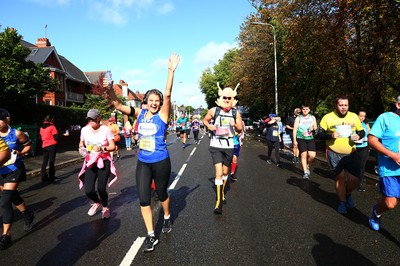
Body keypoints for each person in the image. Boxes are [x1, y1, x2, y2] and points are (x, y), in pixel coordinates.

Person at [107, 53, 180, 252]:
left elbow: (168, 93)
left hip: (161, 161)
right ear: (145, 101)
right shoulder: (140, 114)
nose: (155, 103)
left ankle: (166, 216)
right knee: (143, 199)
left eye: (157, 100)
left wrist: (170, 71)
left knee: (162, 193)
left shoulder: (163, 115)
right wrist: (109, 90)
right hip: (143, 162)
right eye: (151, 100)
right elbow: (119, 105)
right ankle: (150, 235)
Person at [317, 96, 365, 214]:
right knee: (340, 178)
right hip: (334, 153)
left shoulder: (354, 116)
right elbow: (319, 134)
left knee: (354, 180)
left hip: (351, 153)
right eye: (341, 105)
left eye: (346, 105)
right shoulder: (328, 117)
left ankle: (347, 194)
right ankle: (342, 202)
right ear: (336, 105)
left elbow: (361, 131)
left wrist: (358, 136)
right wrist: (330, 136)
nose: (343, 107)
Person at [203, 82, 243, 214]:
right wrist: (210, 127)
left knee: (226, 173)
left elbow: (239, 129)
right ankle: (218, 202)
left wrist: (234, 124)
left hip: (229, 145)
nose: (226, 100)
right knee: (219, 173)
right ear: (221, 98)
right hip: (216, 145)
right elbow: (205, 120)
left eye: (229, 98)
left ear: (233, 99)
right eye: (224, 97)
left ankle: (221, 193)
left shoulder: (235, 112)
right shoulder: (214, 110)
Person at [0, 108, 35, 250]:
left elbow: (28, 146)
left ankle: (5, 235)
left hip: (15, 169)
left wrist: (20, 153)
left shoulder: (16, 133)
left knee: (5, 200)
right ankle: (28, 214)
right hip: (1, 170)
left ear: (7, 120)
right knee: (12, 195)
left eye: (0, 120)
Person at [77, 109, 117, 220]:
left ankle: (105, 208)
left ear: (98, 118)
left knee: (101, 188)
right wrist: (81, 148)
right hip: (90, 161)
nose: (91, 121)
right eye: (89, 119)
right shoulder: (84, 130)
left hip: (103, 161)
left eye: (93, 119)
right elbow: (81, 142)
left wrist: (102, 148)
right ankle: (96, 202)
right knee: (88, 190)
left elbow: (113, 146)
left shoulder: (106, 130)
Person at [368, 96, 400, 231]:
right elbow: (372, 140)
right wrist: (393, 155)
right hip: (389, 168)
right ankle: (376, 212)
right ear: (398, 105)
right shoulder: (385, 118)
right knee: (390, 203)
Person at [292, 104, 318, 179]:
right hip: (301, 138)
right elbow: (295, 129)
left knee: (312, 155)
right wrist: (294, 140)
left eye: (307, 109)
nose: (305, 110)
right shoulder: (298, 118)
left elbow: (316, 127)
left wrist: (313, 127)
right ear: (301, 110)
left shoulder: (312, 117)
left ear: (309, 110)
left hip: (310, 138)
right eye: (304, 109)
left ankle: (307, 166)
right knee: (303, 155)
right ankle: (305, 172)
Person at [39, 114, 67, 183]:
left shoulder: (41, 128)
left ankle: (44, 177)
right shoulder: (52, 127)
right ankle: (52, 177)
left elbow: (40, 138)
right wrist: (63, 135)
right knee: (51, 162)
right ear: (51, 119)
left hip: (44, 145)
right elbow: (56, 137)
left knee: (44, 161)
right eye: (53, 119)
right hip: (51, 146)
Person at [355, 109, 370, 192]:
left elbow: (369, 134)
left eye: (364, 116)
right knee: (353, 165)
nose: (362, 118)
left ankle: (359, 184)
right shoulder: (353, 124)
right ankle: (350, 181)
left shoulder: (365, 124)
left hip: (364, 147)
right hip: (354, 147)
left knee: (362, 166)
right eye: (360, 116)